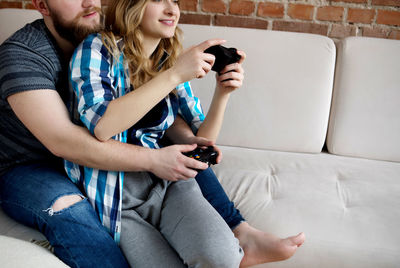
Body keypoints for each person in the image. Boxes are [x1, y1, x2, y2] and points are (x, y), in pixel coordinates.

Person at [67, 0, 305, 267]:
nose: (172, 10)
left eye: (176, 1)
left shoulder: (168, 58)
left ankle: (242, 241)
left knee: (221, 258)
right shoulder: (98, 50)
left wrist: (222, 94)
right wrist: (175, 74)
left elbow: (201, 134)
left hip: (169, 184)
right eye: (159, 0)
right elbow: (102, 126)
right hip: (117, 199)